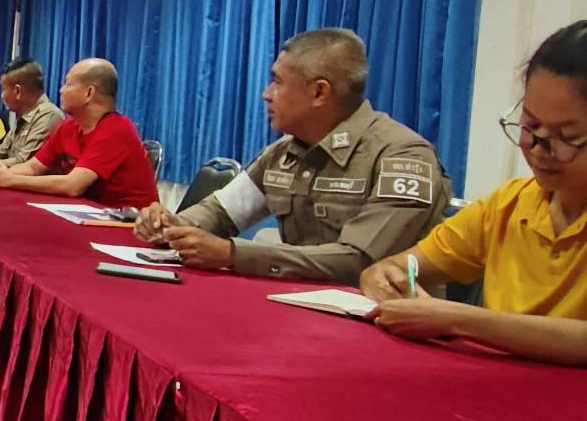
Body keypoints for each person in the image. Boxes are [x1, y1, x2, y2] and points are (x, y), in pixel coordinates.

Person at [135, 29, 450, 282]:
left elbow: (358, 260)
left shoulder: (403, 157)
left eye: (277, 82)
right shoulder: (283, 152)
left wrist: (233, 254)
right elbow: (221, 213)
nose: (266, 94)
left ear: (319, 92)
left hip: (384, 322)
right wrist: (173, 225)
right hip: (301, 309)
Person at [360, 21, 587, 365]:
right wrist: (385, 280)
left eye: (566, 137)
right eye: (530, 126)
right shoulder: (509, 204)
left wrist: (459, 319)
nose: (538, 148)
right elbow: (395, 267)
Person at [0, 58, 159, 207]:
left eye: (68, 84)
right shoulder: (69, 126)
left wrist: (9, 180)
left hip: (126, 224)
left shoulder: (117, 129)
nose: (61, 90)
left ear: (88, 93)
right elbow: (33, 167)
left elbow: (73, 185)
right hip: (87, 212)